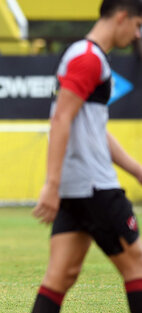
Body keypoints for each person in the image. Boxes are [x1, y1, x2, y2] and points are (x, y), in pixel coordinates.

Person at [31, 1, 142, 312]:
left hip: (77, 188)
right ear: (122, 17)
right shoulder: (88, 58)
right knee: (137, 266)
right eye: (136, 25)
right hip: (95, 186)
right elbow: (61, 120)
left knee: (60, 276)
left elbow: (93, 129)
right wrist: (51, 185)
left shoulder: (89, 57)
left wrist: (135, 169)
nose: (136, 34)